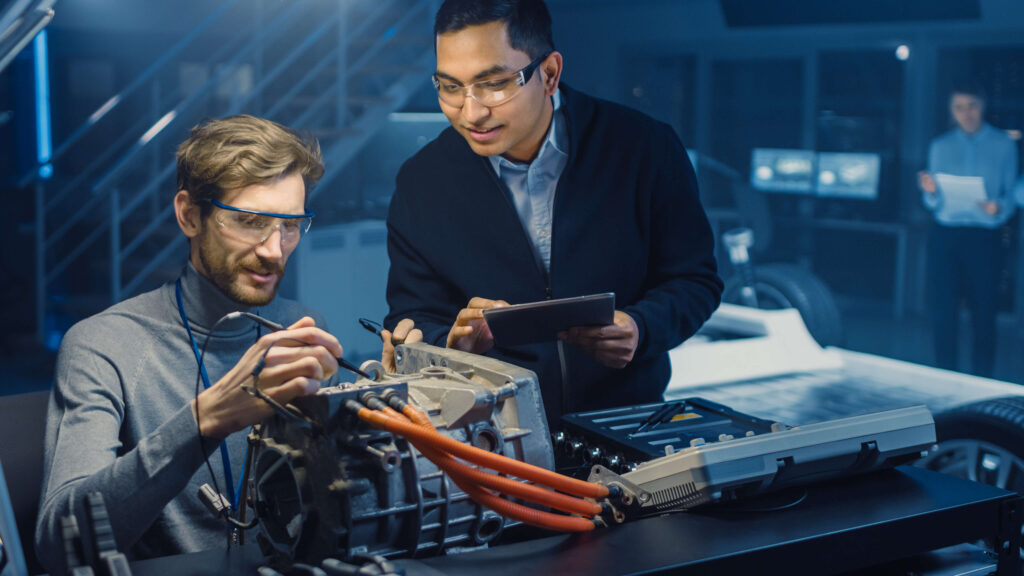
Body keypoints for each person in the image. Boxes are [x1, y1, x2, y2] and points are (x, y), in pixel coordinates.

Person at [34, 115, 419, 570]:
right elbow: (60, 545)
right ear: (189, 215)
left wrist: (394, 411)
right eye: (251, 221)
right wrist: (205, 419)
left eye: (291, 225)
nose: (275, 251)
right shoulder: (104, 346)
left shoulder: (298, 327)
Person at [384, 0, 723, 426]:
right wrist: (449, 345)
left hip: (628, 420)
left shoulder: (644, 148)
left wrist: (642, 328)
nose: (470, 112)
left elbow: (695, 280)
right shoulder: (421, 181)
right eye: (450, 86)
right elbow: (411, 318)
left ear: (549, 74)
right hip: (497, 434)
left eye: (493, 84)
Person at [919, 81, 1018, 377]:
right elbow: (932, 201)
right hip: (945, 234)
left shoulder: (1004, 144)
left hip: (984, 236)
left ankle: (981, 381)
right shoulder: (940, 145)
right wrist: (930, 191)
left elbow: (1011, 193)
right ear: (952, 111)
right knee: (943, 311)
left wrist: (998, 207)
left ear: (983, 105)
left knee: (984, 310)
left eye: (972, 106)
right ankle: (945, 377)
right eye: (959, 108)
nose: (967, 113)